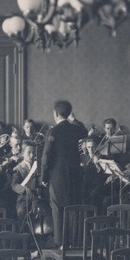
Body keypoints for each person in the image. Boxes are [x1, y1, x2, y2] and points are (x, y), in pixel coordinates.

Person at [40, 99, 88, 248]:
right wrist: (73, 119)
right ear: (68, 114)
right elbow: (84, 131)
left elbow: (46, 157)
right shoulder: (75, 129)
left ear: (55, 113)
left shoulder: (53, 131)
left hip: (57, 177)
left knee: (57, 209)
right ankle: (74, 242)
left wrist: (44, 176)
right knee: (73, 208)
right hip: (75, 176)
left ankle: (60, 244)